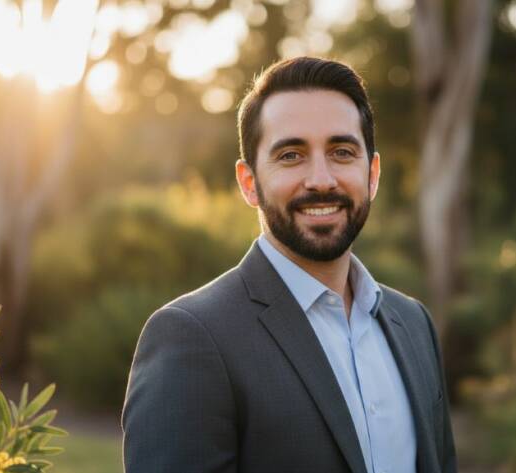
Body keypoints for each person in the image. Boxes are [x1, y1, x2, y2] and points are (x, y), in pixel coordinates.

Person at [122, 56, 457, 473]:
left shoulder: (414, 324)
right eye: (291, 155)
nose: (321, 179)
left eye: (341, 151)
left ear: (372, 174)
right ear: (250, 183)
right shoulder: (192, 337)